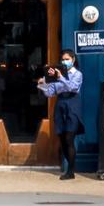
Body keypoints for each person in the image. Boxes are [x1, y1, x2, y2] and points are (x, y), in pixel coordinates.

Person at [39, 50, 84, 179]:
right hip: (60, 105)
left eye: (67, 59)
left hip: (72, 105)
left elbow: (72, 87)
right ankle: (70, 166)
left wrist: (61, 78)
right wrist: (43, 85)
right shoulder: (56, 75)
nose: (65, 61)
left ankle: (70, 171)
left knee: (70, 138)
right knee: (62, 138)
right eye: (63, 59)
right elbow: (50, 93)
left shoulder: (77, 74)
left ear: (73, 60)